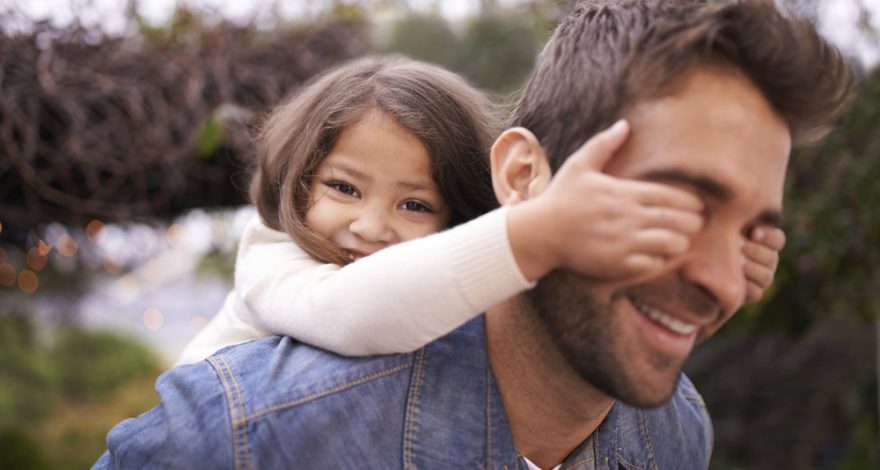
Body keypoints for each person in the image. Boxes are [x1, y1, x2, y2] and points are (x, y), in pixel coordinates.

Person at [93, 1, 853, 469]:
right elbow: (358, 311)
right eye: (672, 206)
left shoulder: (680, 436)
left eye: (751, 233)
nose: (726, 279)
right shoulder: (244, 433)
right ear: (520, 180)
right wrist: (539, 234)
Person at [174, 55, 780, 365]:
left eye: (414, 203)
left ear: (457, 214)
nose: (371, 225)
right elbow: (353, 315)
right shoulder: (273, 255)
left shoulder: (435, 278)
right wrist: (537, 232)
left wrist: (706, 281)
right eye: (344, 188)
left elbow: (563, 334)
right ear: (299, 182)